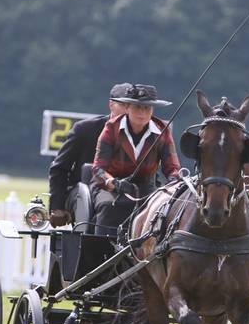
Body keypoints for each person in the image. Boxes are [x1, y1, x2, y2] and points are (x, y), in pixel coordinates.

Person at [91, 84, 181, 237]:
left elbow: (172, 167)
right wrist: (114, 183)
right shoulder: (111, 128)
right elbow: (98, 170)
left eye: (147, 108)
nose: (142, 112)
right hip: (110, 187)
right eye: (138, 107)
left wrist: (174, 181)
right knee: (108, 206)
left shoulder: (163, 131)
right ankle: (102, 251)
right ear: (127, 107)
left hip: (146, 187)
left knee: (161, 208)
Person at [48, 83, 133, 231]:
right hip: (86, 189)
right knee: (107, 206)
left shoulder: (143, 136)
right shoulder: (85, 129)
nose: (129, 111)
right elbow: (60, 169)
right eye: (124, 105)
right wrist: (57, 207)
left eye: (133, 106)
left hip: (126, 190)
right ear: (111, 105)